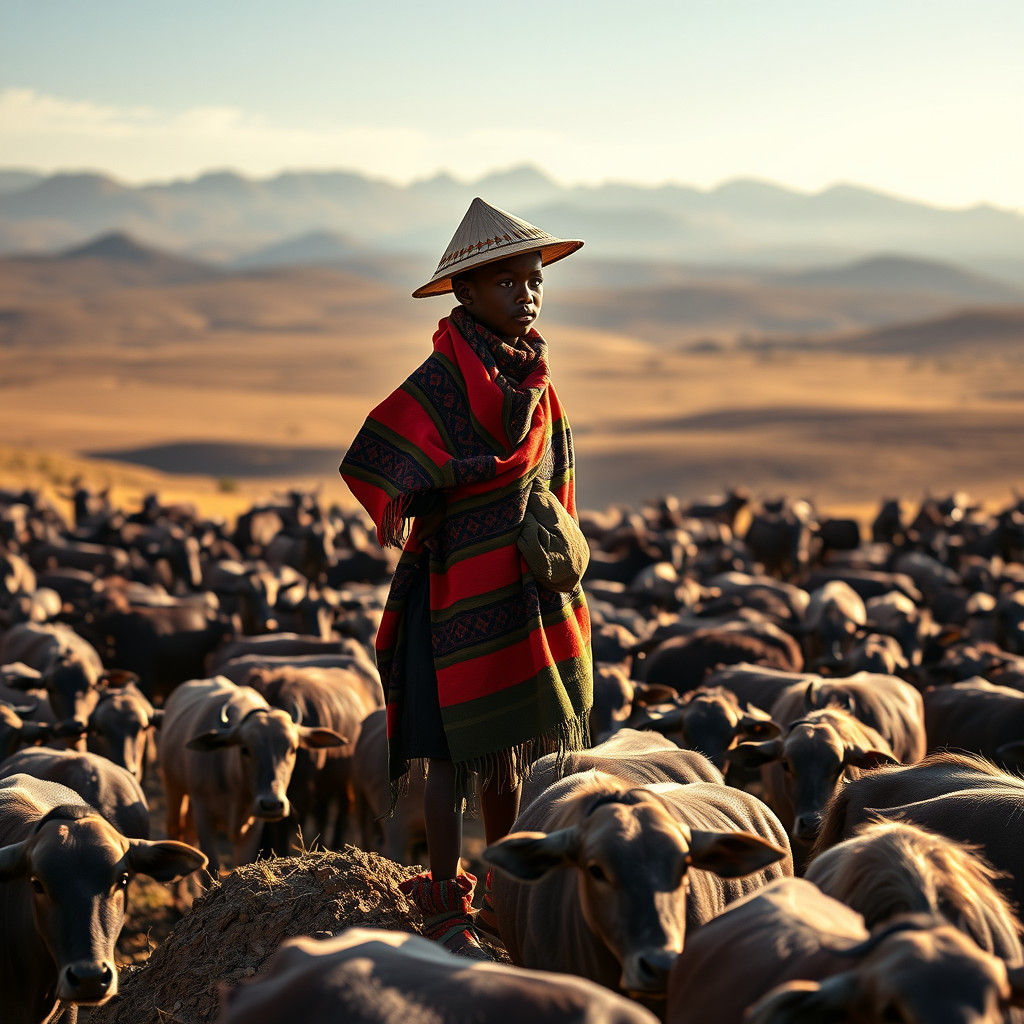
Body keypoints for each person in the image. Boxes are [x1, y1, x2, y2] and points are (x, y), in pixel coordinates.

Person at [339, 198, 593, 958]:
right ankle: (445, 892)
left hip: (515, 589)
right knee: (448, 749)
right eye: (508, 283)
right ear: (465, 294)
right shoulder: (440, 381)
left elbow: (555, 481)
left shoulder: (541, 384)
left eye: (533, 282)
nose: (527, 294)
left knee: (506, 747)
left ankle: (504, 885)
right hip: (448, 588)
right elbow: (376, 460)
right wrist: (459, 476)